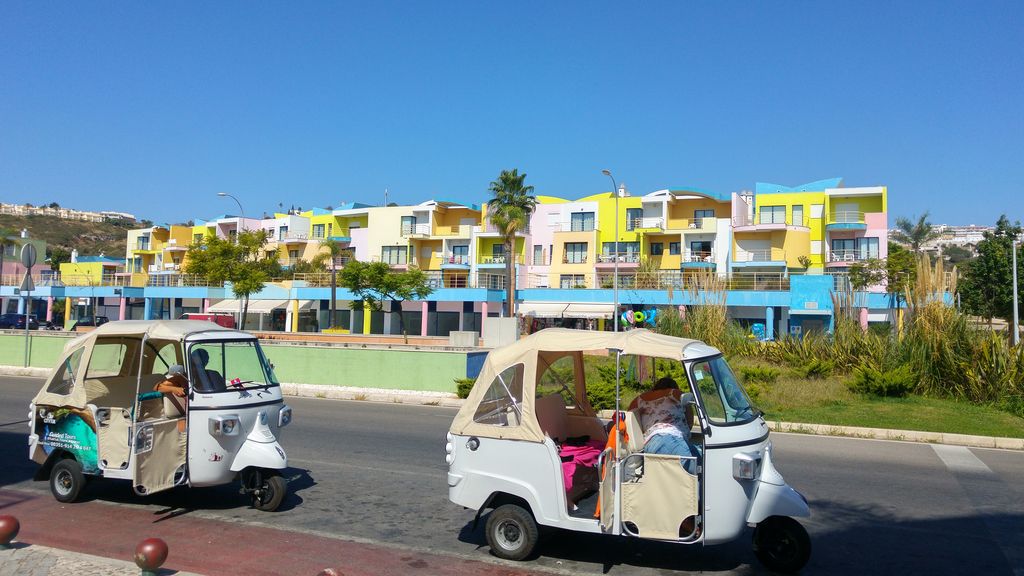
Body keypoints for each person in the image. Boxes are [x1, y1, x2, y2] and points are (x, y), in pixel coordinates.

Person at [629, 376, 700, 475]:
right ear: (674, 387)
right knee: (696, 471)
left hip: (650, 445)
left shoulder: (637, 400)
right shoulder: (675, 393)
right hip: (670, 439)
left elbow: (629, 421)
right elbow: (690, 422)